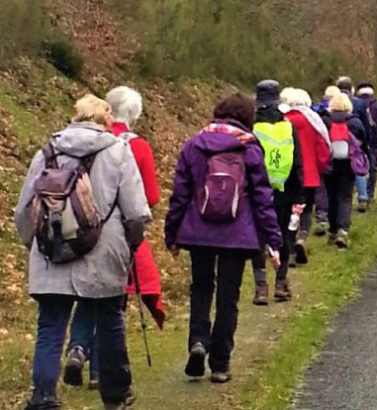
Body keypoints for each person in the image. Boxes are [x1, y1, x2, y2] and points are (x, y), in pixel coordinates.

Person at [15, 94, 150, 410]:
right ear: (106, 121)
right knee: (109, 320)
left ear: (74, 118)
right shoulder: (119, 150)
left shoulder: (47, 152)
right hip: (104, 253)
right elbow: (135, 211)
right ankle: (115, 395)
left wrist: (35, 244)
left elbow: (23, 210)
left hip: (52, 251)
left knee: (50, 325)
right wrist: (132, 243)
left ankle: (44, 397)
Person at [164, 92, 283, 384]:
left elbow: (180, 194)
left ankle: (198, 342)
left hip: (198, 231)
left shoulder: (194, 144)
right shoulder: (250, 148)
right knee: (228, 297)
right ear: (248, 118)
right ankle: (220, 364)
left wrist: (172, 233)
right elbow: (262, 199)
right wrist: (273, 241)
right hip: (237, 233)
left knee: (201, 288)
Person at [63, 86, 165, 392]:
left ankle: (79, 348)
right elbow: (150, 197)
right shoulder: (137, 147)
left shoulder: (74, 142)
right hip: (114, 234)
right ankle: (99, 373)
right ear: (134, 115)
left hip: (76, 230)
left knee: (85, 298)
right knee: (111, 304)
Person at [251, 80, 305, 305]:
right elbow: (297, 162)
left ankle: (260, 286)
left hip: (257, 191)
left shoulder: (252, 128)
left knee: (258, 238)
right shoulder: (288, 126)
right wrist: (300, 195)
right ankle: (281, 283)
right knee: (284, 236)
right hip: (284, 190)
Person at [280, 87, 331, 265]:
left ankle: (291, 248)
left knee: (288, 211)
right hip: (309, 174)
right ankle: (302, 237)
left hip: (287, 174)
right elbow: (322, 148)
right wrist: (321, 167)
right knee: (307, 208)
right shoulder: (313, 121)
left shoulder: (282, 121)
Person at [322, 93, 368, 248]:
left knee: (331, 197)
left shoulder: (325, 121)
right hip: (348, 164)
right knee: (345, 197)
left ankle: (333, 230)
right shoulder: (355, 122)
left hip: (329, 163)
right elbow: (364, 141)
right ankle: (343, 230)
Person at [336, 76, 371, 212]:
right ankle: (362, 197)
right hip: (356, 137)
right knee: (358, 166)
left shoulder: (334, 101)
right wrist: (365, 141)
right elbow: (365, 123)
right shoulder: (359, 103)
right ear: (351, 88)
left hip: (338, 136)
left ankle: (339, 197)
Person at [311, 85, 340, 235]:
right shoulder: (335, 114)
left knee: (320, 187)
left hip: (314, 154)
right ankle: (327, 218)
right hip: (331, 154)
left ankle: (320, 217)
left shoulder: (315, 111)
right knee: (331, 188)